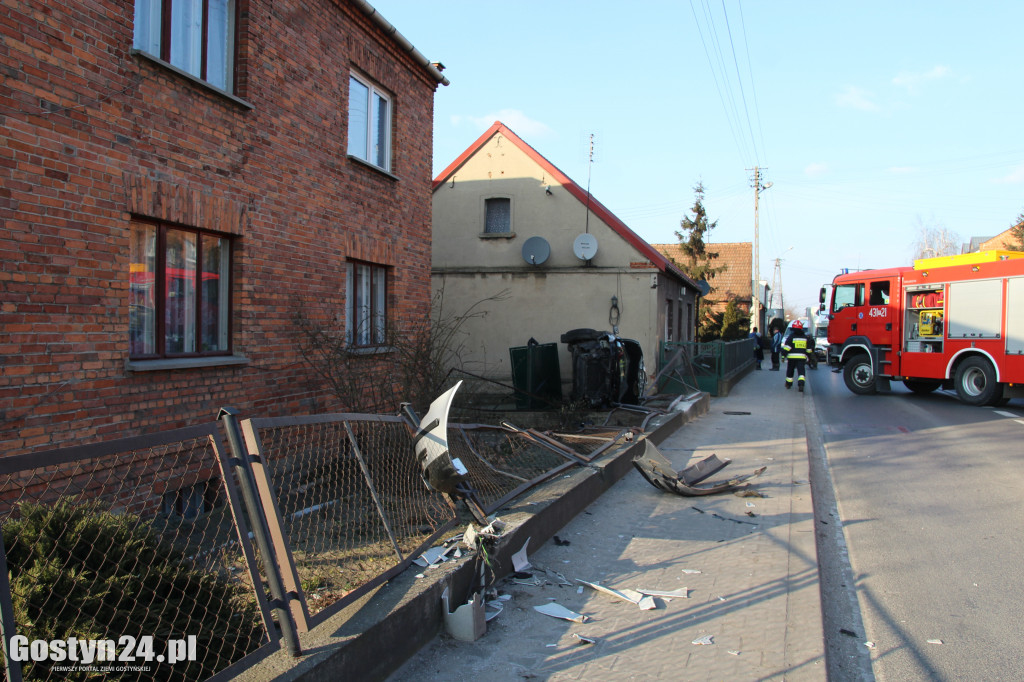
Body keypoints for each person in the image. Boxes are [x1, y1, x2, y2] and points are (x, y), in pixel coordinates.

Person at [781, 319, 815, 392]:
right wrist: (809, 357)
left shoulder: (791, 337)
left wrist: (783, 355)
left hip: (791, 358)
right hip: (801, 358)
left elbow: (787, 348)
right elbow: (809, 350)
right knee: (801, 371)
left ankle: (788, 384)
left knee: (790, 370)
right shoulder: (805, 338)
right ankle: (801, 384)